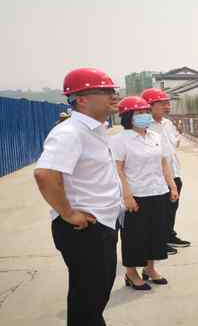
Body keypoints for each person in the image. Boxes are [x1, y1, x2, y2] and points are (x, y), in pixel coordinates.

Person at [34, 68, 121, 326]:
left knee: (96, 295)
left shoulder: (95, 129)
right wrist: (69, 213)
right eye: (106, 91)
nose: (113, 96)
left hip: (101, 223)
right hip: (84, 229)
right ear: (81, 99)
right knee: (87, 298)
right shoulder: (70, 132)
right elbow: (45, 174)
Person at [110, 96, 179, 291]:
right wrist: (127, 195)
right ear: (127, 117)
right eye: (139, 113)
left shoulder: (154, 137)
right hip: (136, 194)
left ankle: (150, 269)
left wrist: (171, 186)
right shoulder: (119, 140)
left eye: (146, 112)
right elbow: (119, 169)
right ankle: (131, 273)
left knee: (156, 232)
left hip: (158, 191)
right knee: (134, 235)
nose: (144, 116)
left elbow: (163, 162)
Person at [141, 88, 190, 255]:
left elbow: (174, 142)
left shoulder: (167, 123)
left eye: (167, 103)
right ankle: (159, 241)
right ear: (149, 106)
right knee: (159, 212)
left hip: (174, 172)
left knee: (171, 208)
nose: (167, 106)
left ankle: (169, 235)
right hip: (157, 176)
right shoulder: (143, 126)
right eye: (163, 103)